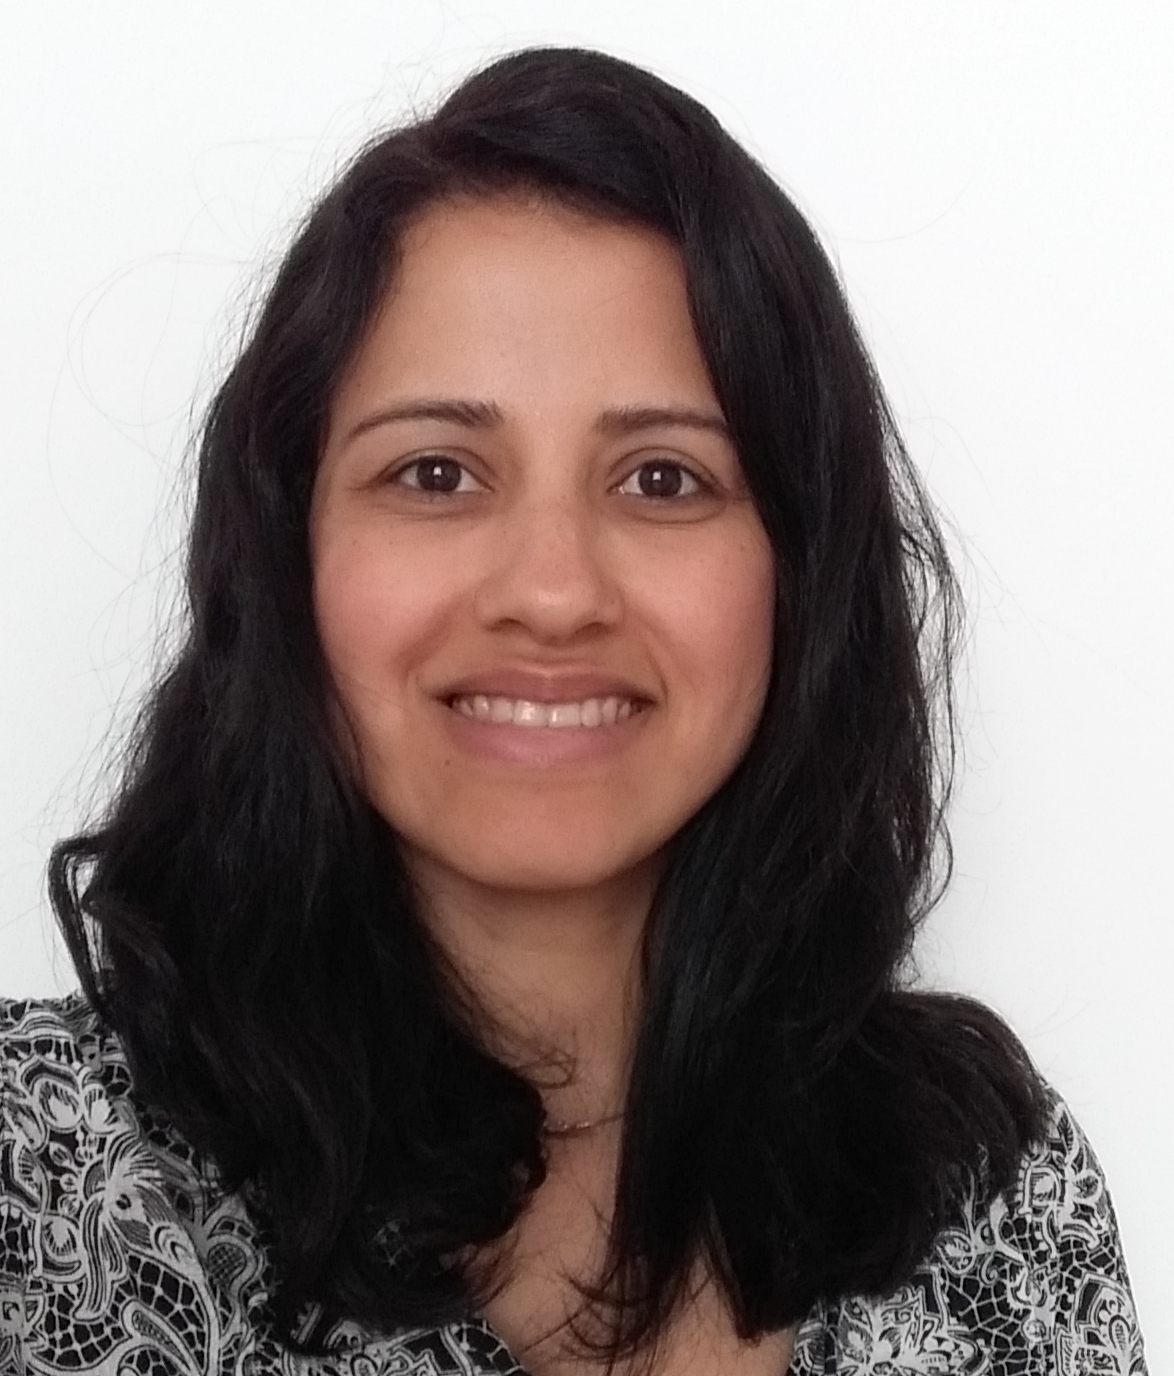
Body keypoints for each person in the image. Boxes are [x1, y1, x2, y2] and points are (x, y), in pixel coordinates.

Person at [0, 44, 1146, 1376]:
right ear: (284, 552)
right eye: (436, 473)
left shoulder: (988, 1194)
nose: (551, 593)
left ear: (801, 571)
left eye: (663, 479)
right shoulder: (39, 1179)